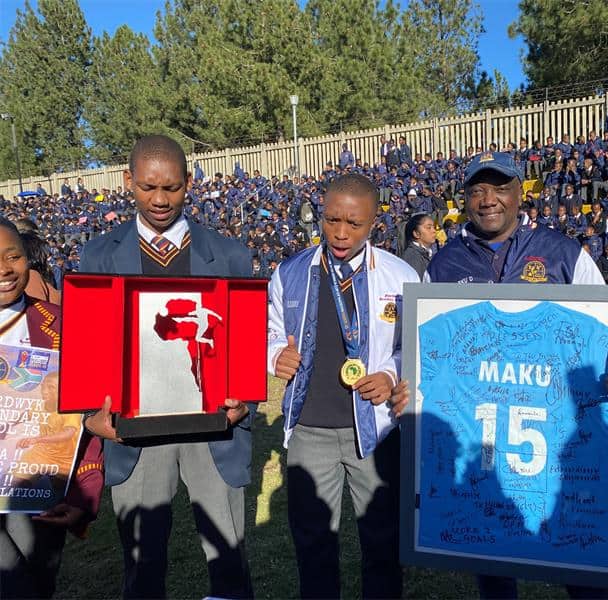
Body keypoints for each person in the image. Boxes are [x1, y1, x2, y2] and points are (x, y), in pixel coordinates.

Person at [411, 151, 607, 599]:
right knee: (491, 543)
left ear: (522, 193)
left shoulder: (563, 254)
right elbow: (429, 353)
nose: (488, 200)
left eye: (500, 187)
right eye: (477, 190)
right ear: (464, 198)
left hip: (554, 430)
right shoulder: (443, 265)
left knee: (578, 544)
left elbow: (602, 336)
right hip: (483, 429)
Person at [80, 135, 254, 599]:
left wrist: (244, 401)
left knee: (229, 563)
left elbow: (245, 342)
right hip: (135, 433)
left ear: (189, 183)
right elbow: (87, 345)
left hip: (213, 430)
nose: (160, 199)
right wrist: (90, 417)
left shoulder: (231, 254)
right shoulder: (96, 256)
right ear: (127, 182)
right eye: (148, 187)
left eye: (172, 188)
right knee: (142, 567)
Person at [267, 174, 419, 598]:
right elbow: (271, 330)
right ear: (320, 213)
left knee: (383, 543)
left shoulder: (400, 275)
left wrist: (390, 373)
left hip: (375, 431)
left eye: (354, 223)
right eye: (331, 219)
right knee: (313, 546)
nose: (340, 232)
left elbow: (418, 347)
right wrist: (275, 352)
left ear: (374, 222)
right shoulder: (289, 272)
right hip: (309, 431)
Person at [0, 217, 103, 599]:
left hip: (40, 488)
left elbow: (85, 415)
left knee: (39, 587)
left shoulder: (60, 326)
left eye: (13, 256)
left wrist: (83, 491)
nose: (5, 270)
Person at [401, 213, 437, 279]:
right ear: (416, 234)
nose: (434, 231)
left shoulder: (425, 253)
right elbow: (415, 287)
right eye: (429, 228)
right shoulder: (413, 256)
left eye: (434, 227)